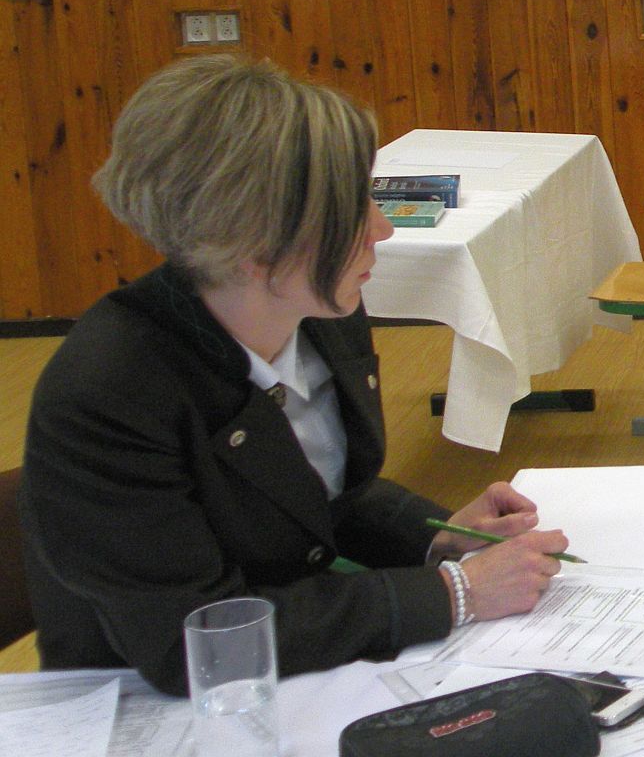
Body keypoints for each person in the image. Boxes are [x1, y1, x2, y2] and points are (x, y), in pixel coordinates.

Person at [22, 56, 571, 694]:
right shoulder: (106, 395)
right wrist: (453, 593)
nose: (383, 227)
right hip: (146, 703)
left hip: (288, 667)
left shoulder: (319, 311)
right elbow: (192, 643)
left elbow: (320, 499)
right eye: (351, 211)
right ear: (255, 247)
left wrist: (440, 539)